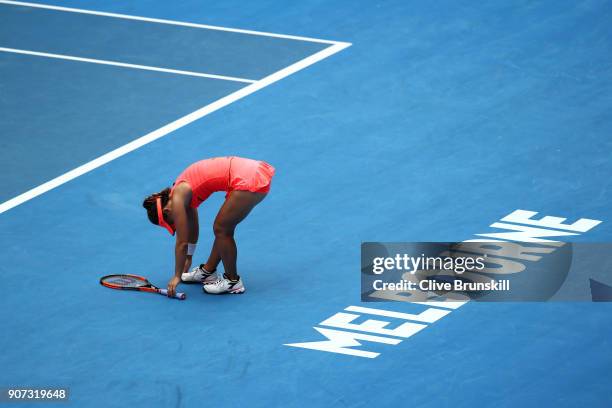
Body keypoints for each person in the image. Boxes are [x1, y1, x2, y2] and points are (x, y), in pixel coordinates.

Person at [142, 156, 275, 297]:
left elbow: (181, 242)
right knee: (223, 228)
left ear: (166, 212)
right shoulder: (180, 193)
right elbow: (192, 227)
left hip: (248, 179)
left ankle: (232, 281)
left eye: (171, 222)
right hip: (251, 173)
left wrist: (177, 276)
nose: (176, 224)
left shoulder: (177, 200)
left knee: (221, 228)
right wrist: (189, 257)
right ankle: (208, 272)